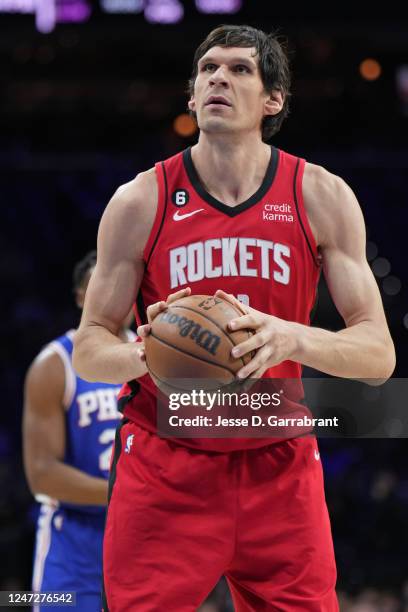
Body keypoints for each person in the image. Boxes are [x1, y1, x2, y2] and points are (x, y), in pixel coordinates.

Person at [73, 25, 395, 611]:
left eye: (240, 69)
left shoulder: (319, 193)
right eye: (208, 70)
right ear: (192, 97)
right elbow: (90, 349)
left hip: (280, 461)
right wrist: (150, 352)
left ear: (274, 100)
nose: (219, 77)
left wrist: (288, 336)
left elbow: (379, 355)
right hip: (166, 467)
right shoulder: (140, 200)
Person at [23, 251, 135, 612]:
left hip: (143, 533)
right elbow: (42, 475)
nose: (113, 296)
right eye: (100, 287)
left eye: (124, 287)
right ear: (80, 298)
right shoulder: (54, 364)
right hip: (73, 542)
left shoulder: (162, 358)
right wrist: (128, 492)